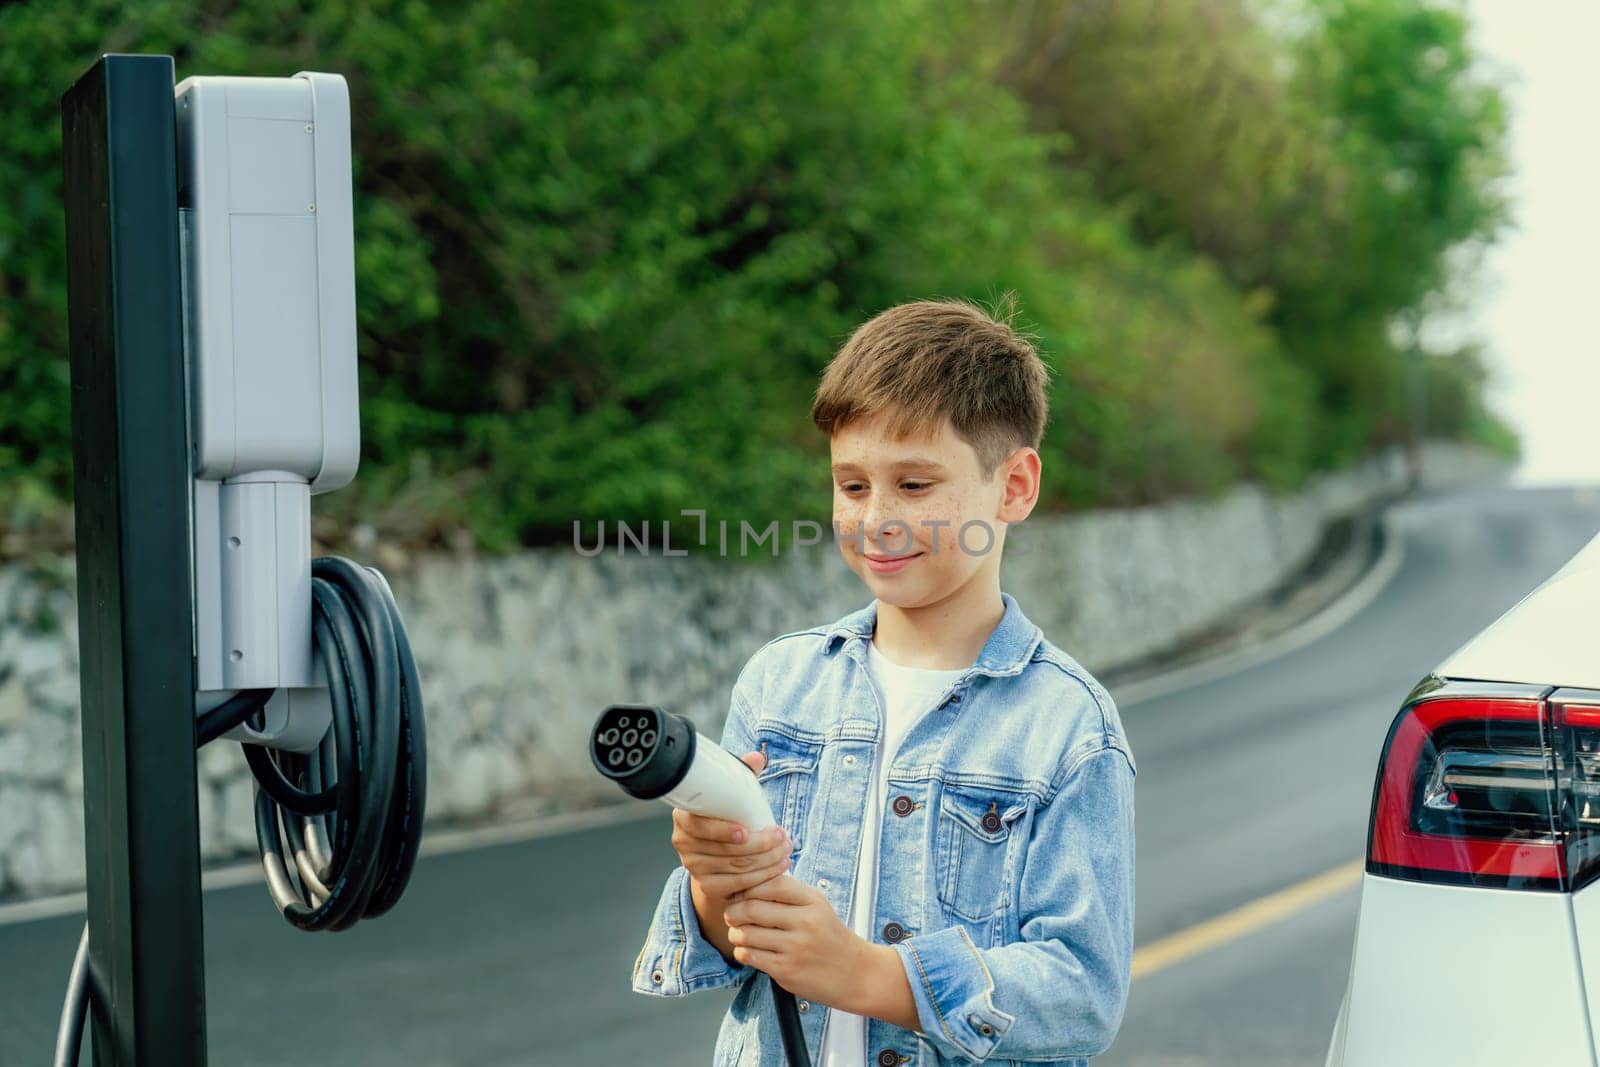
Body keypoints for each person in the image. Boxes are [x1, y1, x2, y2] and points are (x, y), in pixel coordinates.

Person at [630, 297, 1137, 1065]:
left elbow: (1081, 990)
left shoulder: (1069, 727)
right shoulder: (780, 683)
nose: (875, 520)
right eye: (853, 485)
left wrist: (868, 973)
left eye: (914, 484)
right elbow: (727, 937)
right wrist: (713, 887)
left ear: (1015, 486)